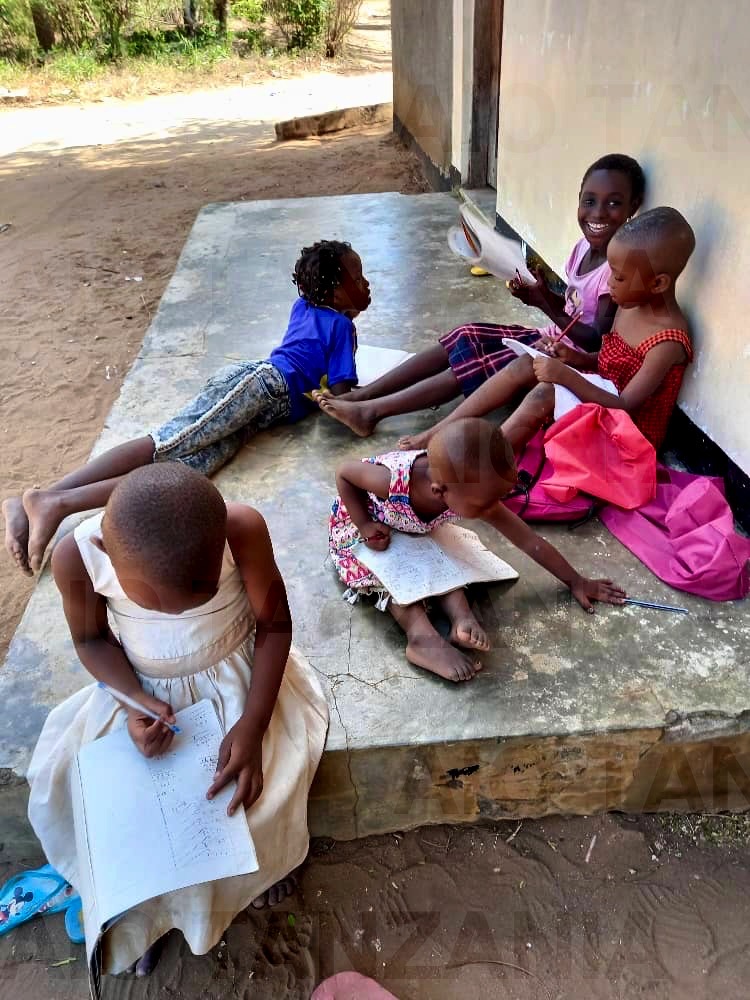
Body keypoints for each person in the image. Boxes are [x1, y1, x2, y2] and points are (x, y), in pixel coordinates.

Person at [26, 462, 329, 976]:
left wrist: (253, 725)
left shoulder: (242, 529)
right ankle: (150, 914)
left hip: (240, 680)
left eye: (195, 596)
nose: (171, 615)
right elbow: (92, 640)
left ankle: (260, 872)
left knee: (254, 795)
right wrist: (133, 702)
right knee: (114, 808)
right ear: (105, 554)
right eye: (152, 602)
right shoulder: (76, 556)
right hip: (138, 687)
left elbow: (274, 624)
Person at [3, 239, 371, 576]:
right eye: (357, 278)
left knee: (181, 472)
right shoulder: (340, 326)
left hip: (262, 409)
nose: (366, 284)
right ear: (334, 291)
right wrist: (369, 393)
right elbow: (342, 394)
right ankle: (48, 499)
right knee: (165, 443)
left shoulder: (305, 306)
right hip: (257, 385)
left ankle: (59, 501)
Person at [313, 153, 645, 438]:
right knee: (466, 334)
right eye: (589, 201)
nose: (598, 213)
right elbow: (573, 309)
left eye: (614, 203)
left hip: (570, 360)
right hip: (550, 337)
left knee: (477, 362)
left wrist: (545, 303)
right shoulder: (582, 248)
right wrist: (540, 295)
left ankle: (372, 412)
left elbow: (595, 340)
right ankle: (364, 396)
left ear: (634, 207)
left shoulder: (616, 269)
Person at [329, 418, 626, 683]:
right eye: (483, 504)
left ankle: (462, 619)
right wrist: (365, 524)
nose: (491, 509)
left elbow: (528, 540)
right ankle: (422, 638)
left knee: (446, 559)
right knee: (393, 575)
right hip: (366, 530)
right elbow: (345, 473)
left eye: (497, 498)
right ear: (439, 492)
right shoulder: (391, 481)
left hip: (413, 527)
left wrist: (576, 581)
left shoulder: (470, 490)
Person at [398, 207, 695, 456]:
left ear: (658, 283)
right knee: (526, 363)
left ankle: (486, 467)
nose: (609, 283)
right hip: (603, 394)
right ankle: (437, 432)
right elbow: (608, 361)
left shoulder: (666, 342)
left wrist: (564, 375)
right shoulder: (631, 304)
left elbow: (625, 406)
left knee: (544, 393)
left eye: (618, 277)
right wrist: (573, 358)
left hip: (627, 436)